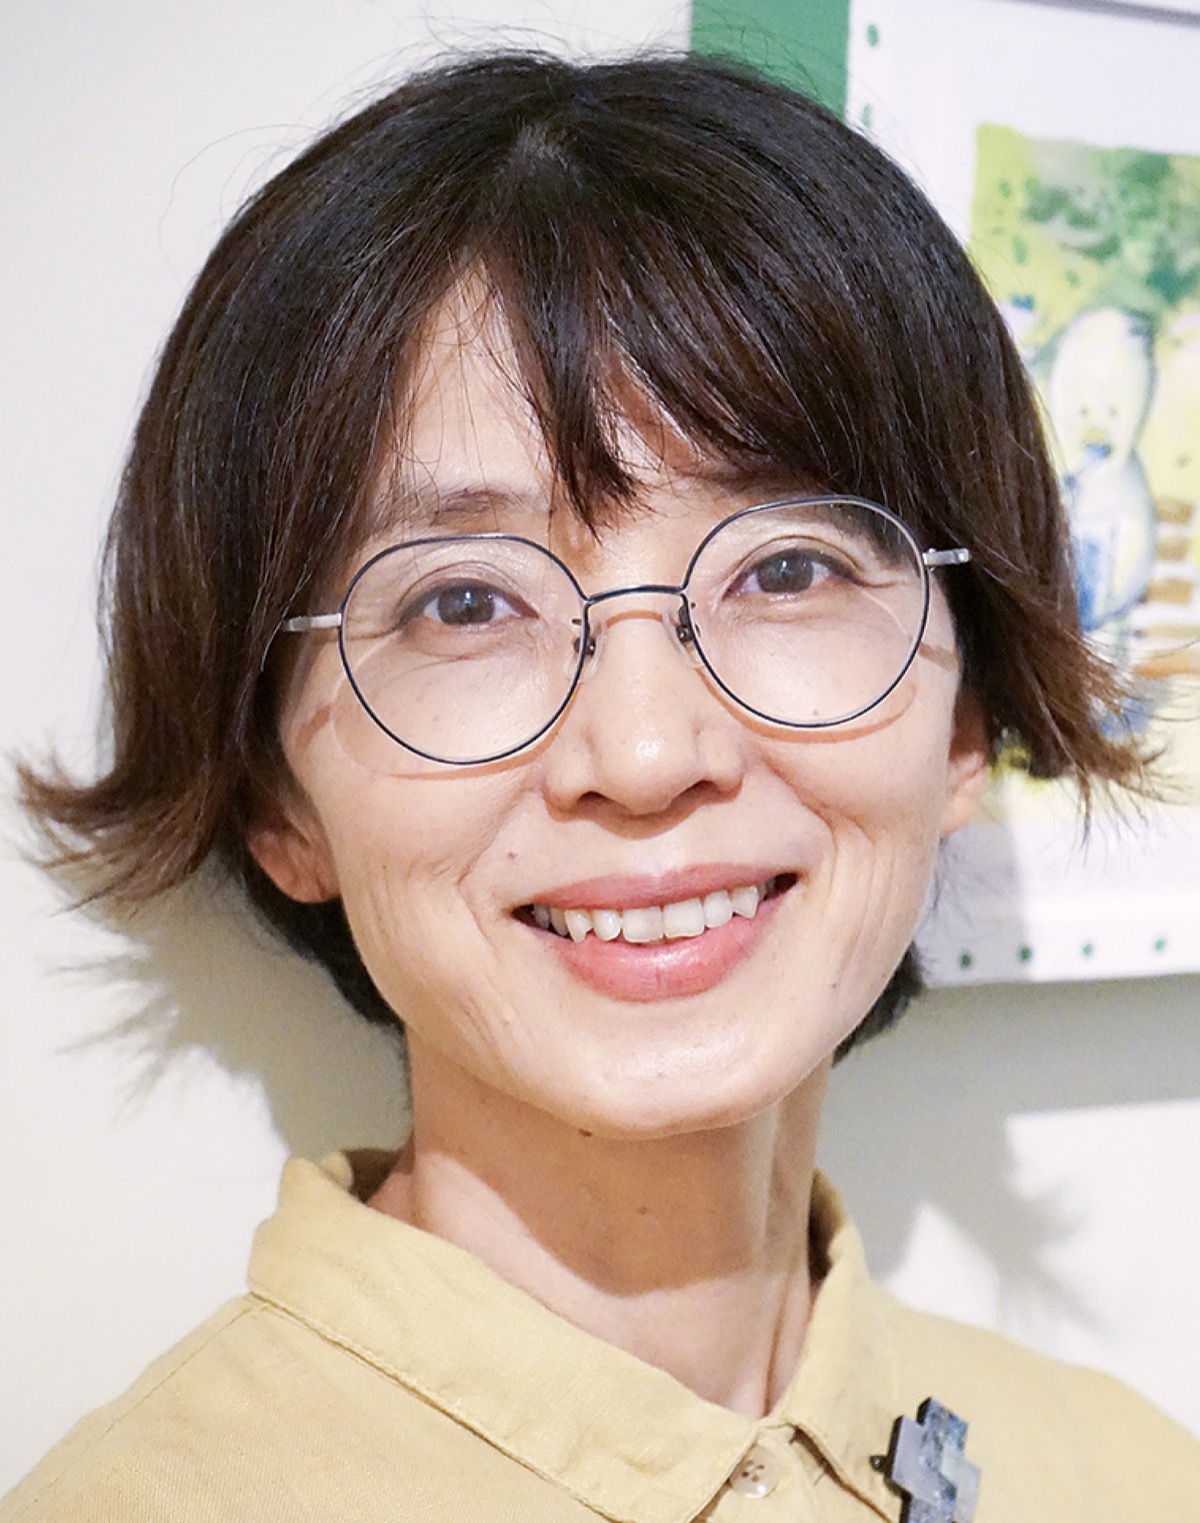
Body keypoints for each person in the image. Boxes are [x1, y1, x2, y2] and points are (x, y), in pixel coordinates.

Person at [5, 49, 1198, 1523]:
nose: (644, 755)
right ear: (276, 798)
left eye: (789, 569)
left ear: (968, 717)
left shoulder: (1130, 1477)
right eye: (463, 603)